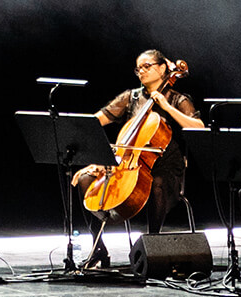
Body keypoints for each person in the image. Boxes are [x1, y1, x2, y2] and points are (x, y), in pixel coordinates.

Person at [74, 49, 204, 267]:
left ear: (163, 68)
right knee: (85, 179)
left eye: (147, 66)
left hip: (165, 168)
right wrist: (97, 155)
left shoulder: (178, 99)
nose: (141, 72)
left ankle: (152, 249)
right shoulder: (131, 97)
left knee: (157, 184)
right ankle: (99, 250)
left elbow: (198, 127)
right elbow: (97, 121)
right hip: (129, 164)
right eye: (138, 68)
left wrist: (166, 107)